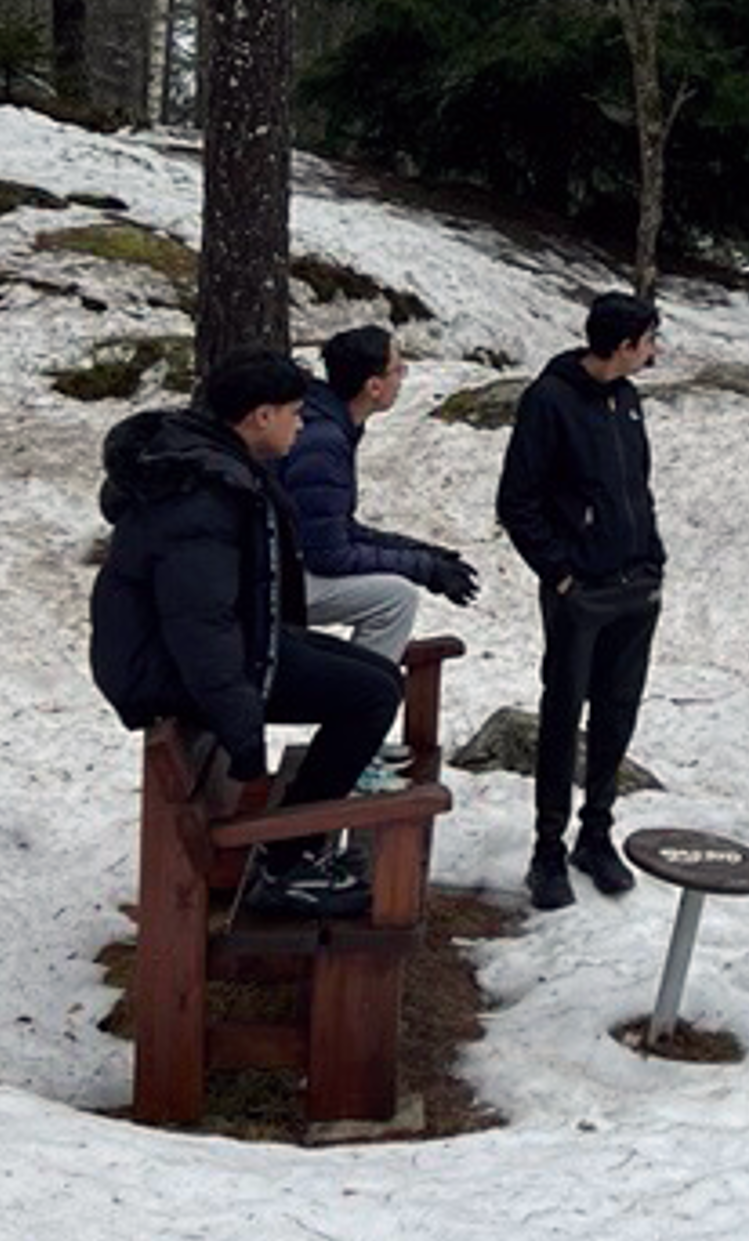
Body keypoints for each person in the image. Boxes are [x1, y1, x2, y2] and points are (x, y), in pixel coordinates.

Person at [87, 345, 401, 917]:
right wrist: (244, 734)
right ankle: (284, 867)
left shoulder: (209, 463)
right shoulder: (201, 495)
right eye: (295, 412)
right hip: (171, 672)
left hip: (222, 648)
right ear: (261, 416)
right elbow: (197, 627)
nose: (301, 424)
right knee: (373, 696)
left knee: (378, 678)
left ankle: (294, 853)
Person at [495, 290, 665, 911]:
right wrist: (561, 573)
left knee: (617, 713)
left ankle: (596, 833)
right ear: (623, 346)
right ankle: (547, 848)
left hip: (637, 586)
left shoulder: (628, 400)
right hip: (580, 592)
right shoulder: (549, 400)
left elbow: (637, 488)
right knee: (563, 713)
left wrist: (653, 557)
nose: (655, 351)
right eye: (649, 340)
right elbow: (517, 501)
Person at [284, 323, 478, 668]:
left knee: (394, 592)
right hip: (264, 582)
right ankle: (362, 703)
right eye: (397, 370)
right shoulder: (323, 443)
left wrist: (423, 553)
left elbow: (335, 526)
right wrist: (423, 569)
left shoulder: (330, 426)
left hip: (282, 566)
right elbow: (328, 554)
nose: (401, 378)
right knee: (395, 598)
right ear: (373, 386)